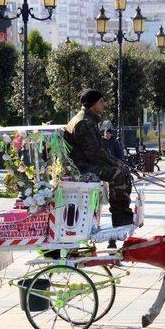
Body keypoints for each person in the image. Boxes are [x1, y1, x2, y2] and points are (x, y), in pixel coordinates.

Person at [64, 89, 134, 228]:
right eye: (101, 101)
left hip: (86, 163)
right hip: (81, 167)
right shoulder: (84, 122)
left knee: (124, 171)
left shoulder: (88, 119)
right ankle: (120, 218)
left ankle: (124, 214)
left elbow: (99, 151)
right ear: (92, 104)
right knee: (118, 174)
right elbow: (94, 154)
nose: (104, 104)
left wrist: (118, 162)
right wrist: (117, 164)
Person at [102, 127, 124, 249]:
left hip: (113, 175)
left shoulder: (115, 143)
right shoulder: (102, 142)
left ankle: (113, 239)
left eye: (107, 133)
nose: (105, 135)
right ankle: (113, 239)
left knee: (114, 204)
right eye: (104, 133)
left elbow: (120, 156)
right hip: (105, 176)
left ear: (111, 134)